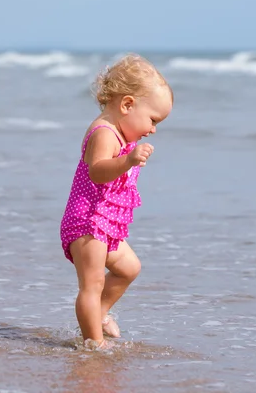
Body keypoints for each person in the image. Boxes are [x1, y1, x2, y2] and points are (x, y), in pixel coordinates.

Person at [60, 53, 173, 348]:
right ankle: (93, 343)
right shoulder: (104, 133)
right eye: (153, 119)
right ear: (127, 105)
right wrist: (128, 160)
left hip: (105, 224)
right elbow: (97, 171)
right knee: (92, 284)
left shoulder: (124, 136)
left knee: (129, 269)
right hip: (87, 221)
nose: (153, 129)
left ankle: (100, 313)